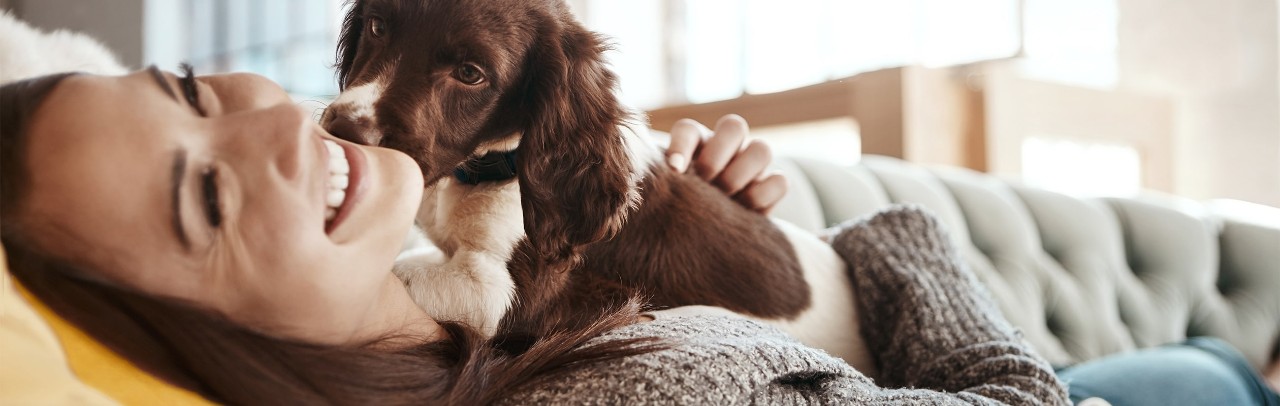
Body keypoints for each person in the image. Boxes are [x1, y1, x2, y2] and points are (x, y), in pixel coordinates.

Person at [0, 68, 1072, 404]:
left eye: (190, 88)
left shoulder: (487, 313)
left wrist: (742, 245)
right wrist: (891, 242)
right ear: (192, 346)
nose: (281, 122)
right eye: (210, 201)